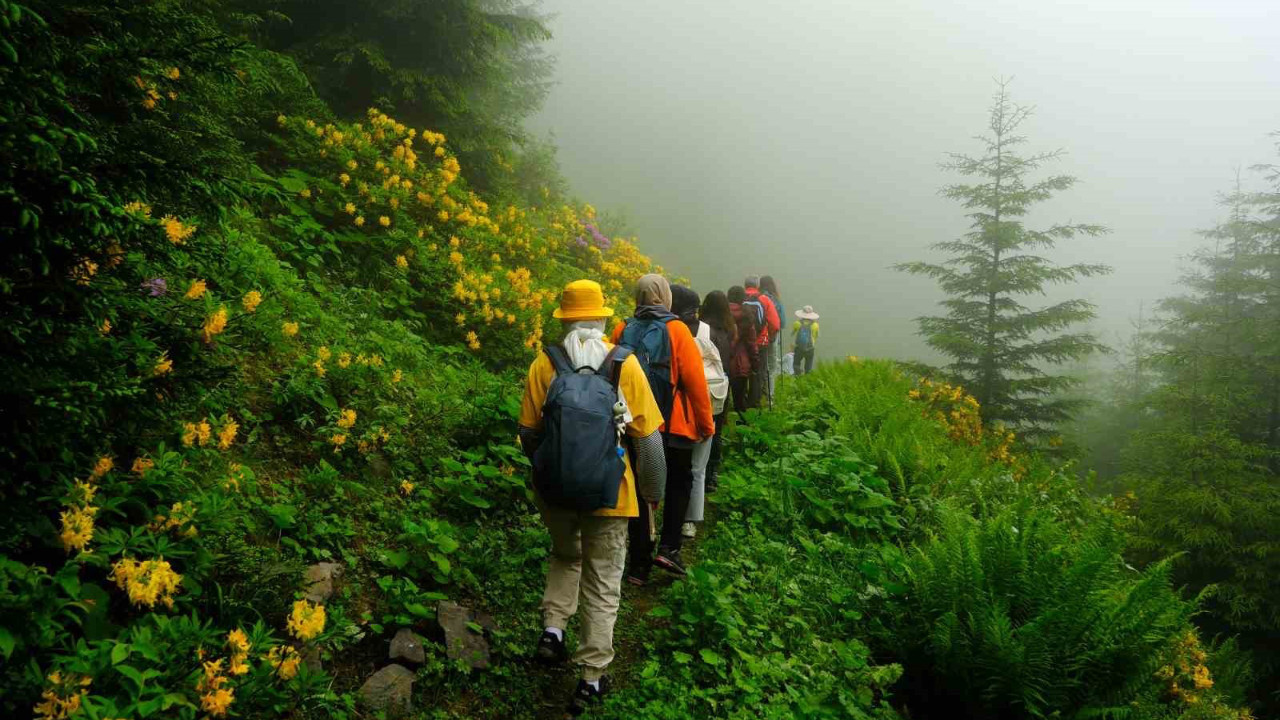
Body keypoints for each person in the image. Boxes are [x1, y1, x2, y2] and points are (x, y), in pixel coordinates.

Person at [518, 279, 667, 715]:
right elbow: (650, 443)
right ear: (602, 318)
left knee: (566, 555)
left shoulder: (545, 363)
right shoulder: (625, 363)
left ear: (564, 318)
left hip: (555, 494)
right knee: (603, 585)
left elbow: (528, 433)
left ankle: (553, 630)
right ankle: (591, 678)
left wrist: (554, 468)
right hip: (611, 495)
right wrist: (652, 496)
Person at [612, 274, 715, 584]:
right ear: (666, 297)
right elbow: (696, 383)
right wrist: (707, 424)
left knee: (642, 491)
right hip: (673, 426)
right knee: (677, 483)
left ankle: (638, 565)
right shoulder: (677, 331)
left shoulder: (622, 329)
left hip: (633, 425)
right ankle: (669, 548)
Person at [697, 290, 735, 493]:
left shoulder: (701, 329)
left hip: (701, 384)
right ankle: (712, 475)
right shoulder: (729, 330)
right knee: (717, 429)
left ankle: (698, 471)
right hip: (722, 385)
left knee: (699, 427)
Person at [742, 277, 780, 409]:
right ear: (757, 286)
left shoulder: (738, 297)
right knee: (759, 371)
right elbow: (775, 324)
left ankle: (741, 401)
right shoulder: (764, 299)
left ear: (745, 285)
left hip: (741, 342)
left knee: (742, 369)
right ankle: (755, 402)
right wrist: (769, 336)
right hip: (761, 342)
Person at [726, 286, 759, 414]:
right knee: (739, 401)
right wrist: (755, 363)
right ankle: (742, 428)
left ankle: (721, 428)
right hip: (740, 364)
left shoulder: (721, 313)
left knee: (721, 401)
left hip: (722, 361)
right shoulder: (747, 315)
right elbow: (752, 343)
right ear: (743, 298)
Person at [759, 276, 784, 404]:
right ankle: (770, 397)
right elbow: (781, 322)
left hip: (758, 337)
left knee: (761, 365)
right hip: (772, 337)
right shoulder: (775, 300)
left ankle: (759, 394)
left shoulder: (757, 298)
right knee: (772, 366)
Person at [792, 305, 820, 376]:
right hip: (810, 348)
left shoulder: (797, 323)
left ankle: (797, 376)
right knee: (808, 366)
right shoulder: (815, 325)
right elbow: (816, 336)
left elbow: (793, 333)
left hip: (799, 348)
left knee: (796, 363)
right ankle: (807, 378)